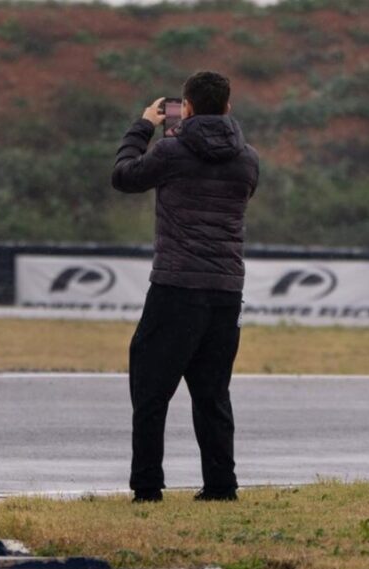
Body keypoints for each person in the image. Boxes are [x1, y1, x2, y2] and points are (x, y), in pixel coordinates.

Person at [111, 71, 259, 503]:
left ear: (187, 107)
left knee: (151, 389)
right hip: (226, 290)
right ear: (228, 107)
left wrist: (143, 127)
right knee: (213, 394)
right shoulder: (248, 158)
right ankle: (220, 486)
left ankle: (147, 487)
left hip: (176, 285)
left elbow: (123, 176)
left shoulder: (171, 151)